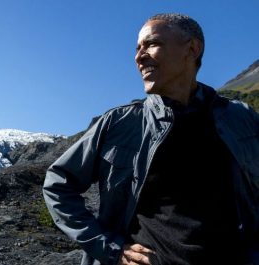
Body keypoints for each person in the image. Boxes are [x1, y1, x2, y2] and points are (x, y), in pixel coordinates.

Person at [43, 13, 259, 265]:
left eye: (151, 44)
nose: (139, 56)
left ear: (192, 48)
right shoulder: (120, 123)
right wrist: (111, 248)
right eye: (137, 48)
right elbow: (58, 184)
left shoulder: (241, 118)